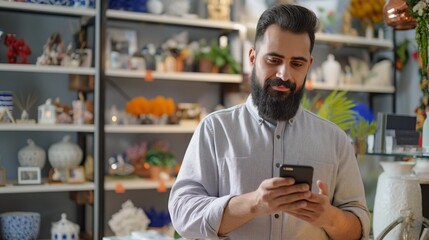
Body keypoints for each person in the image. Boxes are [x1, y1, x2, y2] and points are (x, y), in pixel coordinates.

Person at [168, 4, 370, 240]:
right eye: (274, 60)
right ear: (252, 57)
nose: (284, 74)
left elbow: (360, 227)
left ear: (309, 65)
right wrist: (254, 203)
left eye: (297, 64)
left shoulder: (335, 140)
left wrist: (329, 217)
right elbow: (183, 214)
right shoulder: (215, 130)